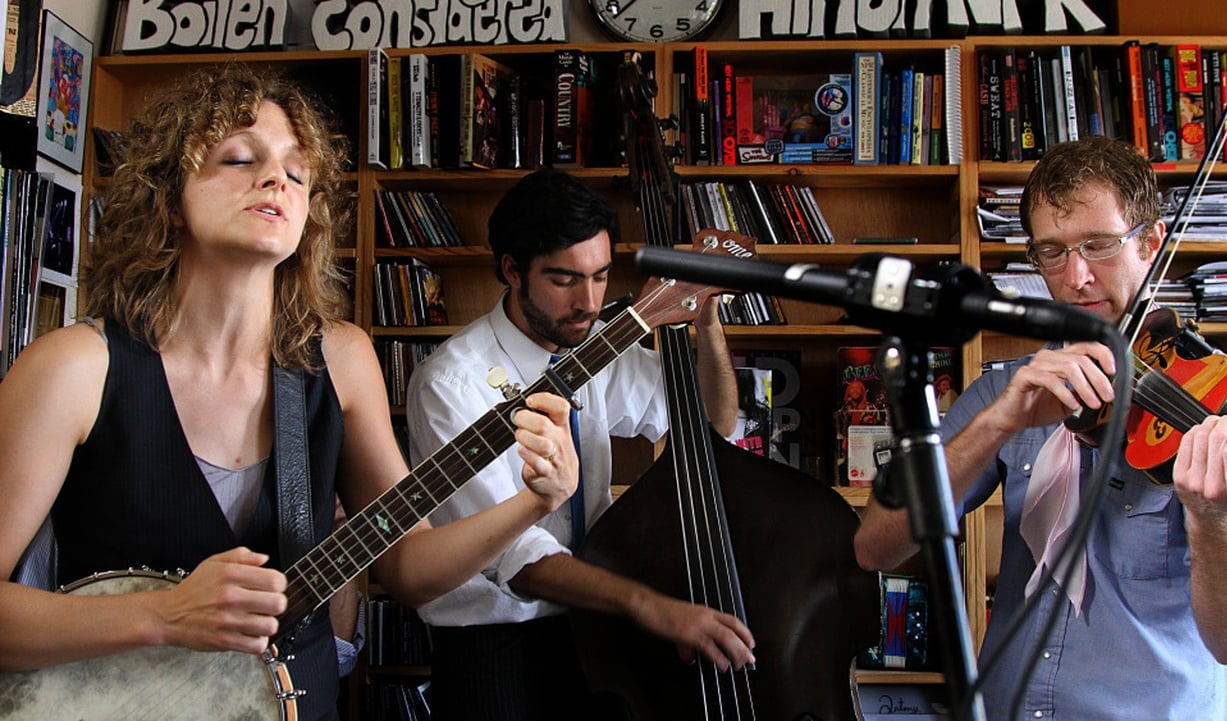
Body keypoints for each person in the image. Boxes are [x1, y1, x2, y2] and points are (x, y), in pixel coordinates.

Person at [0, 64, 579, 721]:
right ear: (168, 193)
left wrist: (533, 504)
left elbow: (409, 567)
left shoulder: (342, 357)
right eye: (240, 158)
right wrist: (161, 613)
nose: (276, 178)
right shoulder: (75, 368)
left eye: (297, 172)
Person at [855, 135, 1227, 720]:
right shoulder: (1006, 387)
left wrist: (1219, 522)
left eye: (1098, 245)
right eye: (1051, 252)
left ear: (1151, 243)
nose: (1075, 276)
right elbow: (876, 546)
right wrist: (1000, 423)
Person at [405, 168, 757, 720]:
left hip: (591, 624)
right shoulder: (451, 382)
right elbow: (515, 560)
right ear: (512, 271)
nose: (589, 302)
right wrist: (650, 606)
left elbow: (713, 424)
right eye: (565, 279)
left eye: (600, 277)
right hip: (495, 645)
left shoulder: (592, 345)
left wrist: (707, 320)